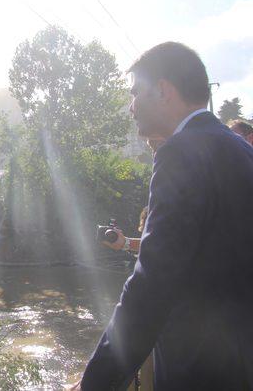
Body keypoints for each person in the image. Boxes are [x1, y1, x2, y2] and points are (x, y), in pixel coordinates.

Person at [72, 42, 253, 390]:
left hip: (203, 372)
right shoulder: (240, 149)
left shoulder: (181, 153)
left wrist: (94, 383)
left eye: (135, 93)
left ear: (164, 90)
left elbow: (153, 283)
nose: (131, 106)